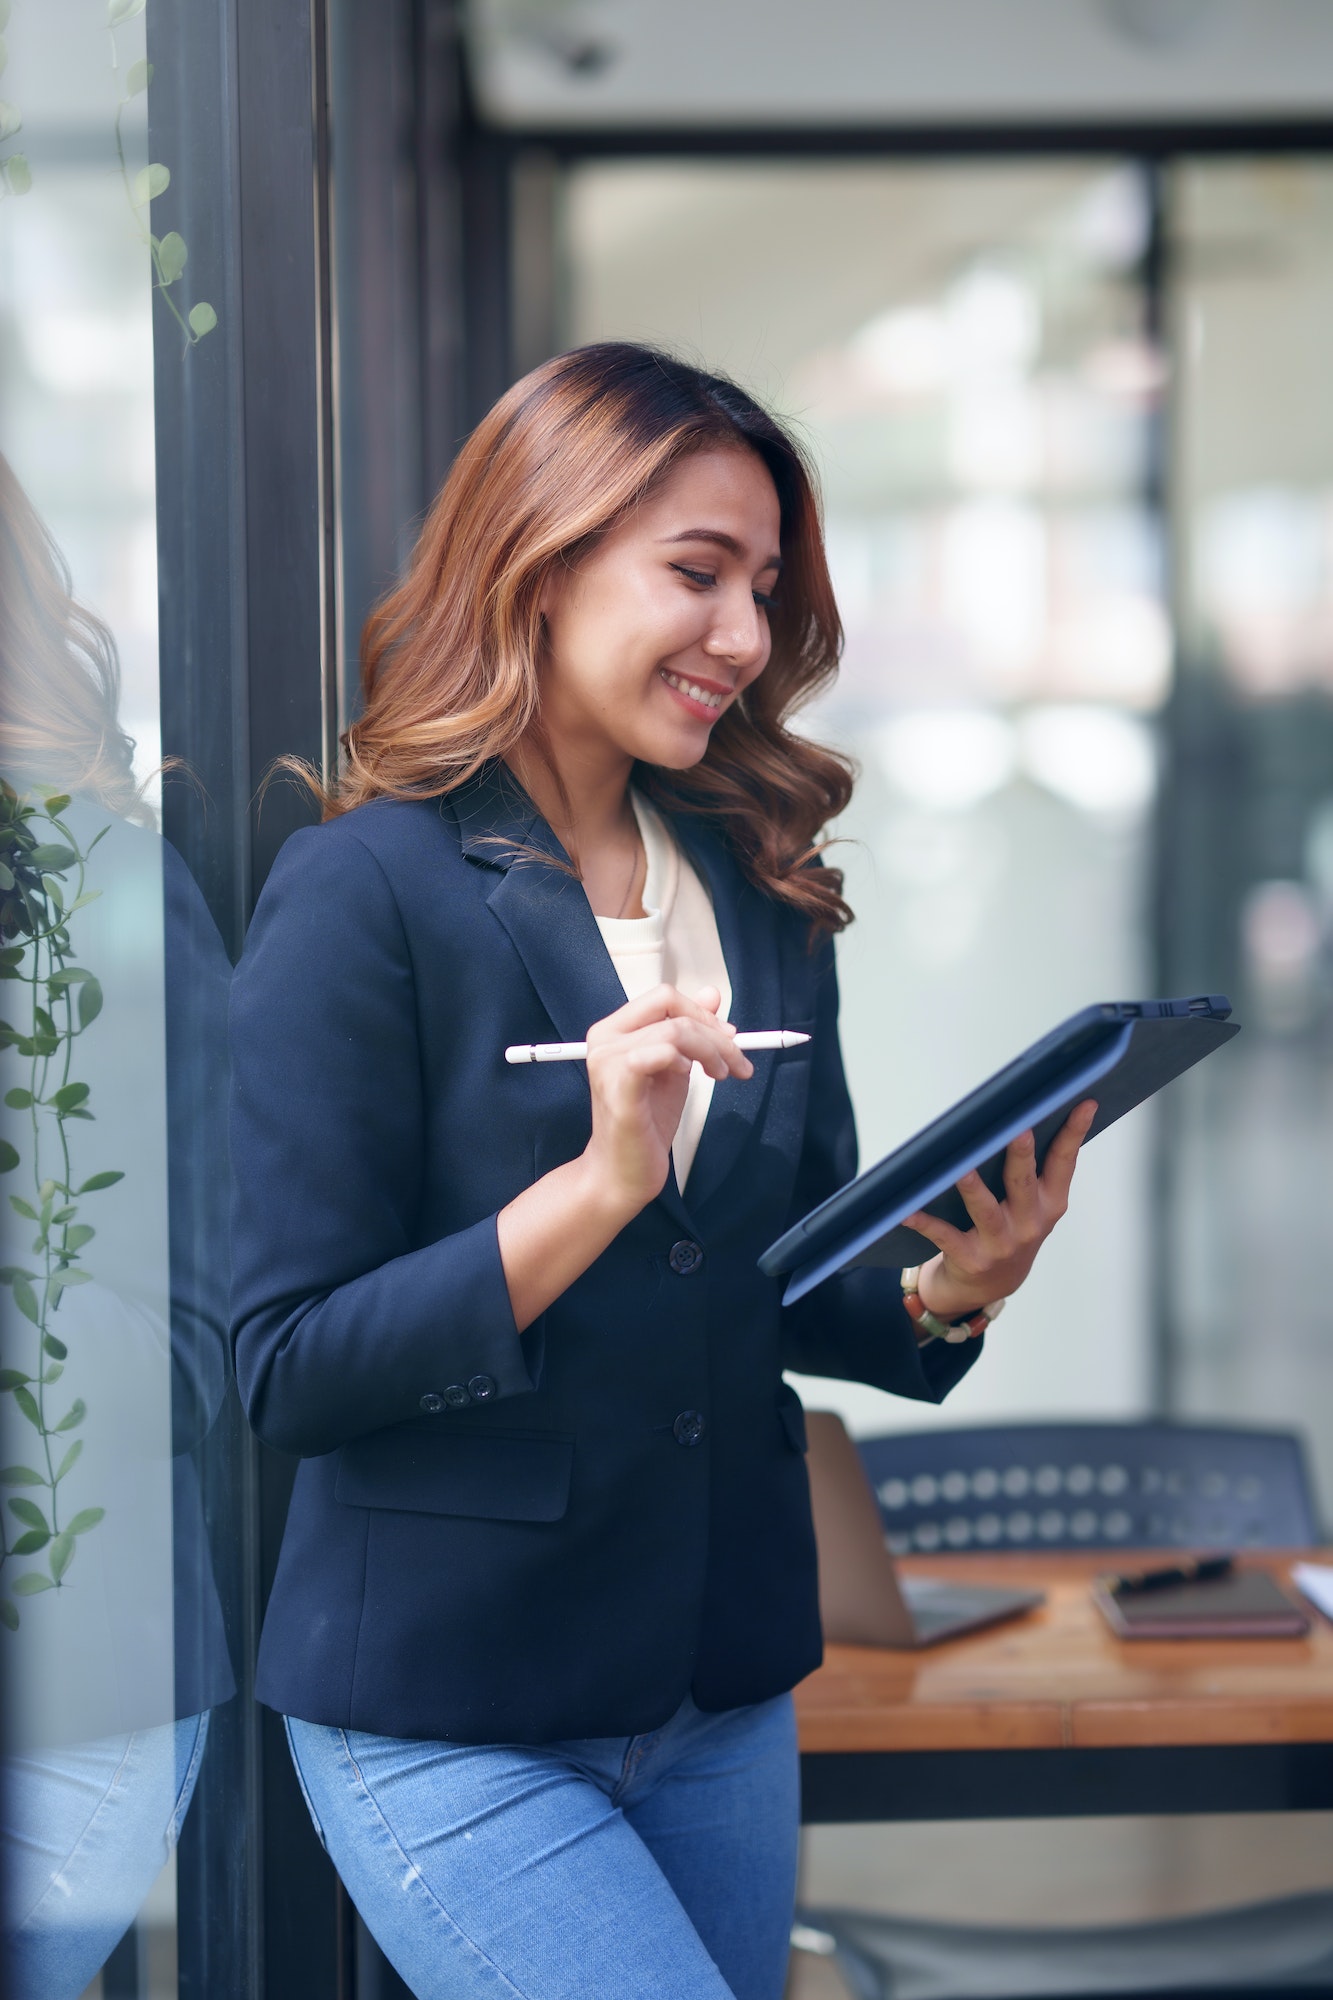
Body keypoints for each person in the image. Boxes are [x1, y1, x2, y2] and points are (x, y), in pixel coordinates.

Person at [229, 342, 1094, 2000]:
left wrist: (947, 1286)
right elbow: (290, 1368)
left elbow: (774, 1272)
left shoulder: (755, 889)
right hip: (453, 1713)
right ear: (535, 562)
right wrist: (596, 1181)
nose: (746, 639)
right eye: (695, 574)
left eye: (763, 588)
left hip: (718, 1694)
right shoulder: (367, 892)